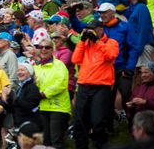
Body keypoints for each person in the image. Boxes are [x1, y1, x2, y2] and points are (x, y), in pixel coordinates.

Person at [72, 20, 120, 149]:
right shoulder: (86, 43)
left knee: (98, 121)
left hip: (101, 86)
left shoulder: (111, 42)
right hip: (83, 85)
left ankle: (101, 145)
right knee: (79, 121)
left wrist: (97, 42)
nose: (89, 32)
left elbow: (110, 56)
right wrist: (82, 42)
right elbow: (75, 59)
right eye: (88, 30)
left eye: (92, 29)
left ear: (100, 30)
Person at [32, 38, 70, 149]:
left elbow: (61, 83)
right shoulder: (36, 67)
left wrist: (44, 94)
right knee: (45, 141)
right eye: (41, 47)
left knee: (56, 141)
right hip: (42, 108)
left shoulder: (59, 65)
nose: (43, 49)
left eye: (47, 47)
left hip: (58, 108)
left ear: (52, 49)